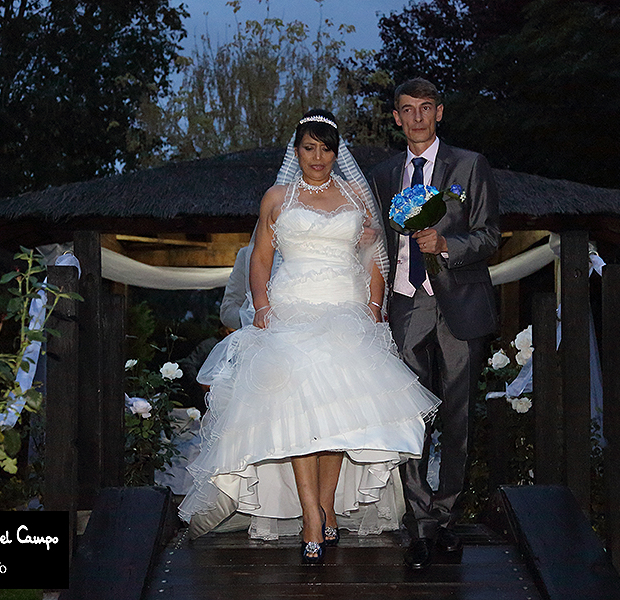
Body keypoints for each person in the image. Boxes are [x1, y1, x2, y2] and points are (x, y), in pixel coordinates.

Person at [178, 109, 439, 564]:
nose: (318, 157)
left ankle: (327, 504)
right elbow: (260, 258)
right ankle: (311, 516)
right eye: (309, 148)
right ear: (296, 151)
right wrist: (261, 306)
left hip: (347, 312)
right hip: (291, 312)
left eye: (325, 148)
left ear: (337, 153)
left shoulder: (356, 195)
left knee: (339, 418)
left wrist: (374, 310)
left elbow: (374, 259)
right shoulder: (277, 197)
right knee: (297, 415)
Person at [369, 78, 500, 570]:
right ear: (397, 118)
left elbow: (490, 235)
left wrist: (448, 245)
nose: (418, 117)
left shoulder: (469, 165)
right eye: (408, 109)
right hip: (406, 305)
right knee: (410, 417)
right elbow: (376, 241)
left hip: (460, 304)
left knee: (458, 416)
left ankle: (446, 519)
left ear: (439, 112)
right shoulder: (383, 175)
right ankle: (419, 523)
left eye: (426, 108)